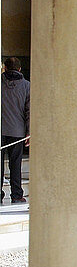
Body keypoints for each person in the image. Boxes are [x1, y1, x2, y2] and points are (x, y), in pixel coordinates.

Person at [1, 57, 29, 204]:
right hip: (17, 131)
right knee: (15, 164)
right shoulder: (26, 86)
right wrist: (29, 131)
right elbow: (29, 111)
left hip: (1, 130)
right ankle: (17, 195)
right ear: (19, 69)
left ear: (4, 68)